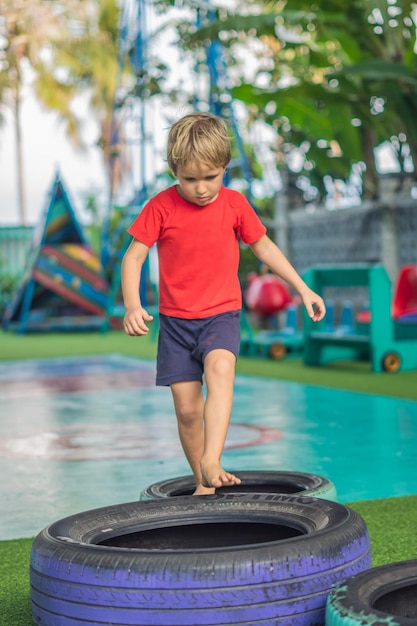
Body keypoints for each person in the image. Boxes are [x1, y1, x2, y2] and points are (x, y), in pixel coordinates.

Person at [121, 112, 326, 495]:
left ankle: (212, 459)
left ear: (225, 168)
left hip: (221, 314)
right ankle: (204, 484)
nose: (201, 189)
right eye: (190, 179)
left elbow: (263, 245)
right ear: (173, 170)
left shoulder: (234, 204)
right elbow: (133, 257)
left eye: (211, 177)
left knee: (220, 369)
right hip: (177, 325)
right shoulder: (160, 207)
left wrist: (302, 288)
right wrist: (133, 305)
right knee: (187, 410)